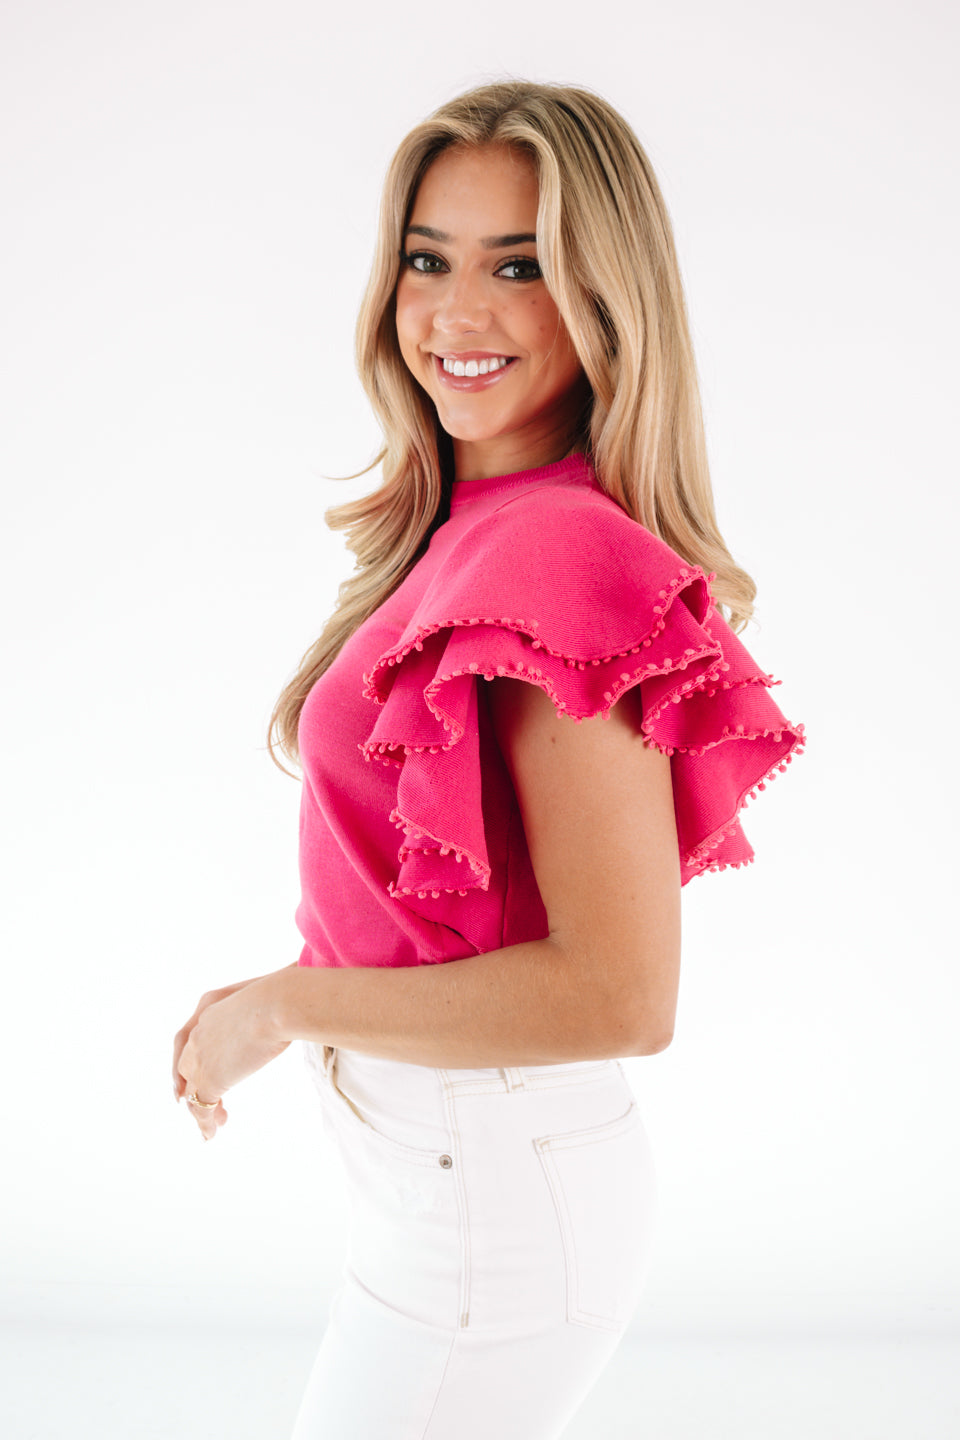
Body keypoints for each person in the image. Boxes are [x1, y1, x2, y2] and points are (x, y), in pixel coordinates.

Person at [172, 80, 805, 1440]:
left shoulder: (555, 553)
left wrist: (284, 1008)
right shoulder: (478, 528)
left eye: (519, 267)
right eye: (428, 259)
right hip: (456, 1185)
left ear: (605, 298)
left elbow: (620, 995)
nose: (457, 314)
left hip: (489, 1206)